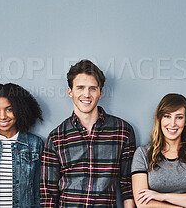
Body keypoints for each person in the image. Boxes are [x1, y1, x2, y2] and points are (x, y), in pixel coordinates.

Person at [40, 59, 136, 207]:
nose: (86, 94)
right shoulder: (56, 137)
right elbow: (48, 194)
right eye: (80, 88)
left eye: (92, 88)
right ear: (70, 92)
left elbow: (127, 184)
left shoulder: (122, 131)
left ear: (100, 93)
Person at [131, 93, 186, 208]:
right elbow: (142, 203)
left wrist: (162, 196)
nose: (173, 123)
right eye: (167, 116)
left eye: (179, 117)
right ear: (159, 119)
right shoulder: (143, 154)